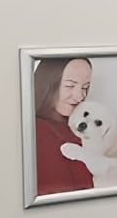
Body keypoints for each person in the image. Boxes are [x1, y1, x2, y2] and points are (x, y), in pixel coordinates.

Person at [32, 57, 95, 196]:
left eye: (85, 87)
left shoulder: (83, 128)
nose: (80, 96)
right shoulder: (38, 131)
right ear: (47, 84)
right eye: (70, 86)